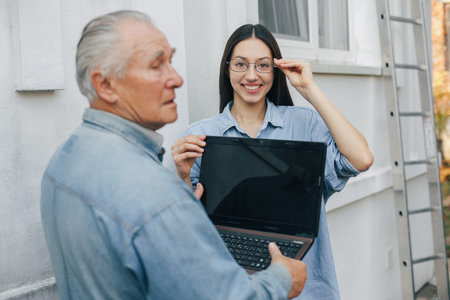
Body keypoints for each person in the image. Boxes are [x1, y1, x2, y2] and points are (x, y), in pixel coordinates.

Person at [40, 11, 308, 300]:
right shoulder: (155, 195)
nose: (177, 79)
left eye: (171, 60)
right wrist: (281, 279)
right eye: (156, 65)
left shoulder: (64, 160)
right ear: (105, 84)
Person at [172, 24, 374, 299]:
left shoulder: (304, 123)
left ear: (275, 70)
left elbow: (361, 159)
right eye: (241, 64)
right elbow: (187, 226)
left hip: (305, 287)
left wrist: (309, 88)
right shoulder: (201, 134)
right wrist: (182, 175)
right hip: (234, 284)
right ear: (227, 68)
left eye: (263, 65)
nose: (252, 75)